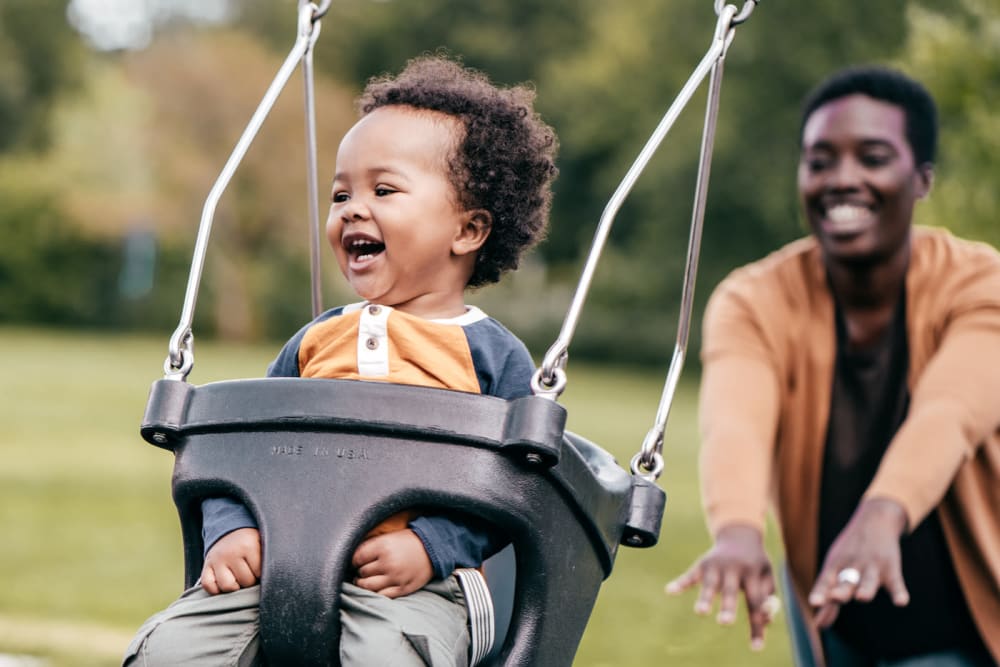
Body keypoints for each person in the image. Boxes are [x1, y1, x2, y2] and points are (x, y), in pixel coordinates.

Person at [123, 54, 558, 667]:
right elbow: (238, 451)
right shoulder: (312, 344)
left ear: (468, 230)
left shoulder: (493, 356)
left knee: (389, 657)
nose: (353, 208)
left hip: (420, 587)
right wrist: (231, 530)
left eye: (384, 190)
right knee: (169, 650)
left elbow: (519, 489)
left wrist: (432, 546)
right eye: (340, 193)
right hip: (278, 563)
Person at [667, 65, 1000, 666]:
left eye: (872, 157)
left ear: (922, 178)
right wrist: (738, 529)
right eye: (820, 161)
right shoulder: (754, 299)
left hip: (968, 624)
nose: (842, 180)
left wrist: (882, 513)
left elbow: (951, 413)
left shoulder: (981, 283)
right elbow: (736, 423)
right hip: (832, 612)